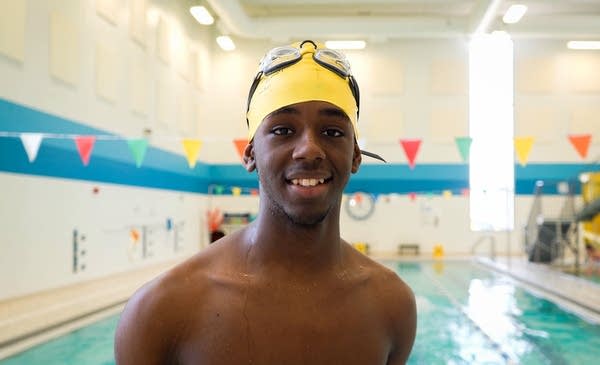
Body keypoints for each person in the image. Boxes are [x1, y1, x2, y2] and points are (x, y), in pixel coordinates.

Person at [115, 40, 417, 364]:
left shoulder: (391, 305)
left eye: (332, 132)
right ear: (250, 154)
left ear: (355, 156)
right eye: (283, 130)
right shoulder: (162, 312)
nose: (309, 150)